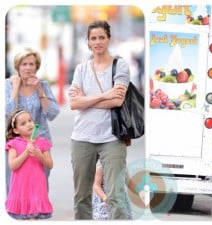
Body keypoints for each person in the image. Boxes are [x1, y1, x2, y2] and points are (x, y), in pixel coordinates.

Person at [68, 20, 130, 220]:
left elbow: (118, 100)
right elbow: (73, 104)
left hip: (111, 138)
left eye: (101, 37)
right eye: (93, 38)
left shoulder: (120, 65)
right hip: (82, 137)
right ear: (87, 42)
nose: (97, 42)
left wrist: (86, 100)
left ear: (109, 39)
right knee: (81, 195)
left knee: (116, 194)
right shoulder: (81, 69)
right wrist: (105, 96)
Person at [5, 47, 60, 193]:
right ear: (18, 66)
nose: (28, 68)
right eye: (24, 64)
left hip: (39, 144)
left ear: (37, 66)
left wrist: (40, 91)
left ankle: (36, 215)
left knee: (39, 186)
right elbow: (8, 114)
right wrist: (15, 89)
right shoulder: (7, 85)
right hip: (16, 145)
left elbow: (53, 114)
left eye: (31, 64)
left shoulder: (43, 86)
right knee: (16, 186)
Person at [5, 109, 53, 219]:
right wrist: (26, 152)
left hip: (37, 187)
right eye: (23, 123)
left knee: (35, 218)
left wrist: (38, 154)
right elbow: (12, 166)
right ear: (16, 130)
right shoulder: (14, 144)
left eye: (30, 120)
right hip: (21, 188)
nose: (29, 124)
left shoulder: (42, 142)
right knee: (22, 218)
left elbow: (50, 165)